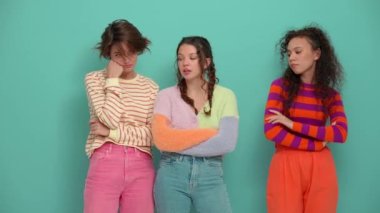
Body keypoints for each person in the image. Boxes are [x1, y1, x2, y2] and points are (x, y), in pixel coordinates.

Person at [264, 25, 348, 213]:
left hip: (321, 168)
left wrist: (291, 124)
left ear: (316, 54)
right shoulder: (279, 87)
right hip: (286, 164)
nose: (292, 57)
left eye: (298, 51)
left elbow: (341, 133)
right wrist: (316, 145)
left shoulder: (331, 95)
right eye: (289, 53)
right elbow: (272, 131)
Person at [151, 36, 239, 213]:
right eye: (180, 58)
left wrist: (175, 140)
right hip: (171, 173)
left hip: (211, 174)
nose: (185, 63)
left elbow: (226, 143)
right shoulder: (166, 96)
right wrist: (209, 133)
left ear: (206, 62)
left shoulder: (226, 96)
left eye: (192, 57)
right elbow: (160, 139)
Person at [83, 19, 158, 213]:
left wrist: (111, 133)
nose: (127, 60)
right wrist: (113, 80)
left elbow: (152, 136)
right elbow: (110, 118)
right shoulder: (94, 80)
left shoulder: (151, 87)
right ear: (108, 53)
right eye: (119, 54)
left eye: (131, 52)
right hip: (105, 161)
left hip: (141, 165)